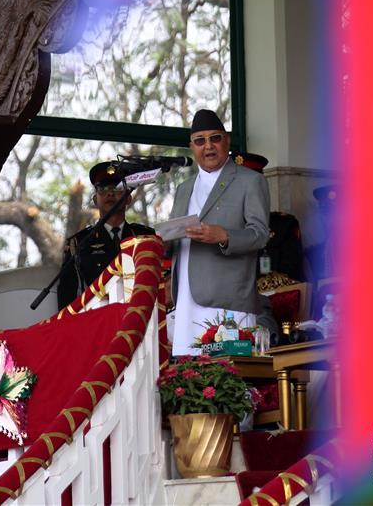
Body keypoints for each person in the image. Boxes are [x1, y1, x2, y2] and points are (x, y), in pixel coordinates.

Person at [168, 109, 275, 355]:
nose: (208, 146)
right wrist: (162, 240)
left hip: (228, 301)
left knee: (229, 373)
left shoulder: (250, 180)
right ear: (191, 147)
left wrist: (225, 236)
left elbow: (260, 234)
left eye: (215, 138)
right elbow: (177, 237)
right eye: (200, 141)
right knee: (190, 373)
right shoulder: (183, 189)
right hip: (185, 299)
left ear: (226, 141)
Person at [57, 161, 154, 308]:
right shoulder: (79, 242)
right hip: (97, 316)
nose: (110, 193)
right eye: (102, 189)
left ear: (128, 198)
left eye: (117, 188)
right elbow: (66, 295)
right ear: (95, 200)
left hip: (140, 313)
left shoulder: (145, 236)